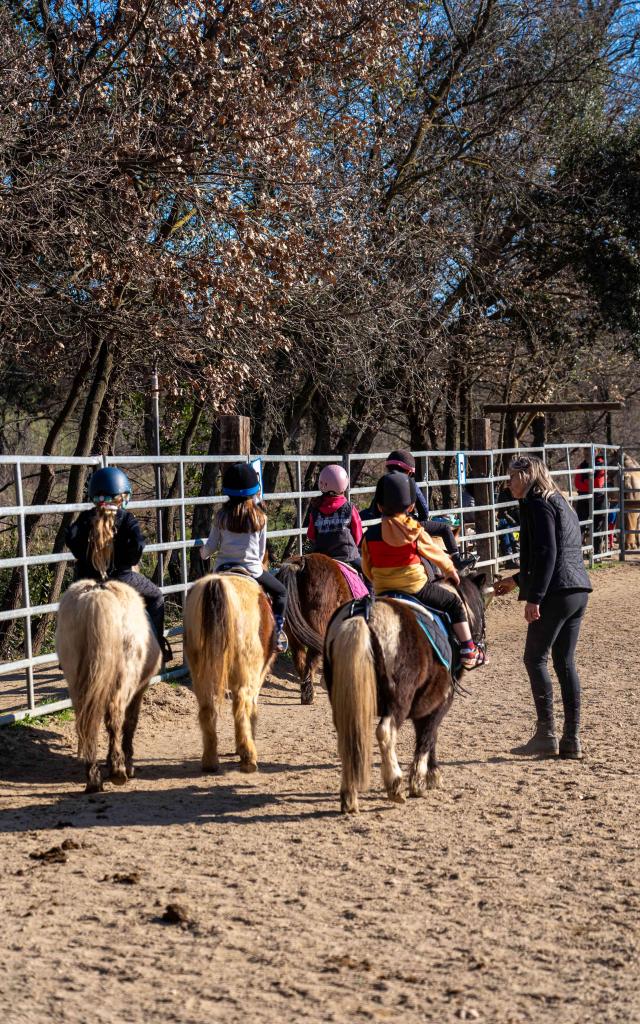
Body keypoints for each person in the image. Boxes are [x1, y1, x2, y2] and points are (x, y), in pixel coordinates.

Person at [494, 455, 592, 759]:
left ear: (526, 475)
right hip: (577, 590)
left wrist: (534, 597)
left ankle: (545, 734)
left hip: (555, 592)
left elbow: (549, 553)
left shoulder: (537, 503)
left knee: (534, 658)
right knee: (564, 661)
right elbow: (553, 553)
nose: (508, 483)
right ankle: (570, 740)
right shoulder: (559, 500)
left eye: (511, 477)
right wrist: (516, 580)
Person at [360, 473, 485, 670]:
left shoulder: (370, 535)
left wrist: (378, 580)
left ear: (379, 506)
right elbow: (436, 553)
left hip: (383, 590)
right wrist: (450, 570)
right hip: (416, 588)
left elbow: (366, 566)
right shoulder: (415, 530)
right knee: (453, 603)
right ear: (410, 507)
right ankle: (469, 649)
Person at [65, 466, 173, 663]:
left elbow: (70, 537)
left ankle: (69, 655)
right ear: (121, 496)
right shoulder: (126, 518)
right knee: (156, 596)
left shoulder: (86, 517)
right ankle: (156, 649)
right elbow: (137, 546)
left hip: (87, 578)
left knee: (70, 607)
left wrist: (84, 556)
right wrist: (127, 558)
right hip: (122, 578)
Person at [198, 462, 289, 653]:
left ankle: (201, 635)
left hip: (222, 569)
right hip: (252, 570)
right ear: (254, 490)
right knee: (281, 593)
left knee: (201, 597)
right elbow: (260, 552)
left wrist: (203, 553)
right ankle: (277, 634)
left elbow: (211, 546)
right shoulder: (260, 517)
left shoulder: (221, 516)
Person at [362, 449, 476, 571]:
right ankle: (457, 560)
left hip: (384, 525)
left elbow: (374, 509)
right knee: (445, 528)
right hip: (407, 524)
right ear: (409, 471)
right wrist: (419, 522)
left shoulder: (384, 482)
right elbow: (424, 509)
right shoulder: (409, 482)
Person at [307, 464, 364, 574]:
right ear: (344, 484)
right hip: (347, 556)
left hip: (322, 557)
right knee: (368, 574)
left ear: (322, 483)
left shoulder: (315, 509)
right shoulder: (350, 508)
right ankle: (369, 591)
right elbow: (358, 535)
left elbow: (311, 536)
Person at [574, 449, 606, 554]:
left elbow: (598, 483)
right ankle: (578, 553)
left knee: (598, 526)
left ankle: (597, 553)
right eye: (585, 453)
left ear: (596, 453)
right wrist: (589, 483)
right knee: (580, 525)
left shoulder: (601, 465)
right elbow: (577, 484)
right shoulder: (581, 466)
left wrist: (585, 482)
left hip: (598, 499)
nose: (586, 455)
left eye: (589, 452)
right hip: (584, 498)